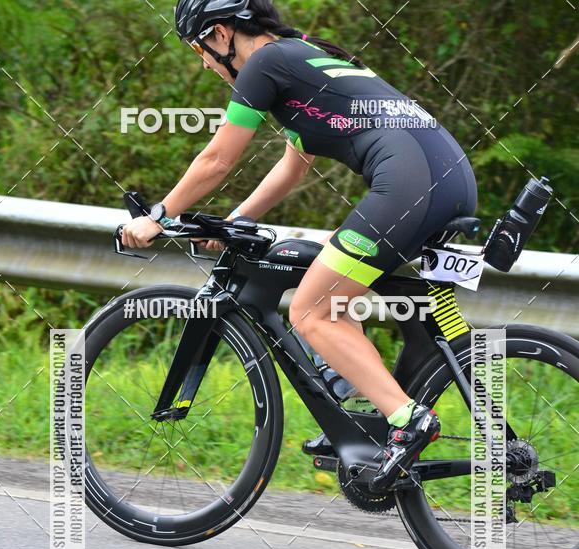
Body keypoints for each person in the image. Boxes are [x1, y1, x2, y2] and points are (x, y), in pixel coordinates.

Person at [121, 0, 478, 491]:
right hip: (448, 178)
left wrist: (159, 215)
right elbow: (294, 166)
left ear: (221, 34)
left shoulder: (264, 64)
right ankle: (367, 391)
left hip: (409, 185)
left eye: (199, 49)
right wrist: (236, 220)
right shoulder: (298, 56)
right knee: (327, 264)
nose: (202, 62)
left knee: (311, 311)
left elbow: (218, 159)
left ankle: (408, 420)